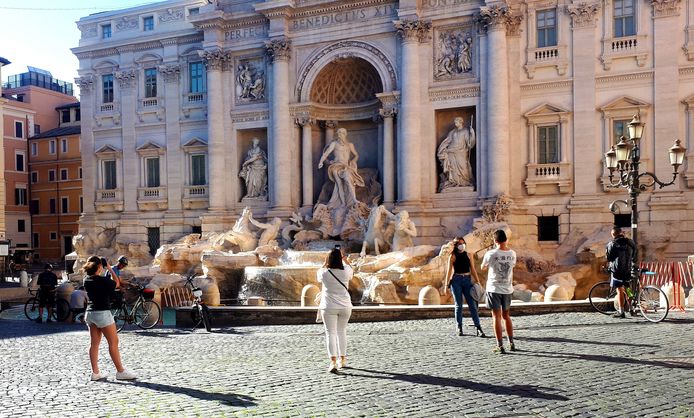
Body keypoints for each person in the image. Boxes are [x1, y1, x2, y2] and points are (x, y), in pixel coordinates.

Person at [82, 256, 136, 381]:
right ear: (100, 267)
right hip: (102, 313)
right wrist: (110, 268)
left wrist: (103, 266)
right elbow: (116, 283)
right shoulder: (103, 280)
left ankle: (95, 373)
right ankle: (120, 371)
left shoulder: (86, 280)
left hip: (90, 313)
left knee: (94, 344)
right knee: (113, 342)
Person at [317, 246, 353, 373]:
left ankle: (333, 362)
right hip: (345, 307)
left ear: (329, 260)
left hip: (328, 307)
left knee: (330, 333)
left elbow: (319, 274)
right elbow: (351, 269)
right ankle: (342, 360)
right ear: (340, 259)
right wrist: (346, 260)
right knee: (341, 332)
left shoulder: (324, 272)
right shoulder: (346, 271)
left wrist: (326, 262)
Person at [481, 230, 517, 354]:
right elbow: (512, 266)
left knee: (496, 316)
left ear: (495, 241)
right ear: (506, 239)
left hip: (494, 288)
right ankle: (511, 343)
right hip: (507, 288)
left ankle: (500, 345)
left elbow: (483, 267)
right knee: (506, 316)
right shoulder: (513, 253)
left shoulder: (490, 253)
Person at [443, 237, 485, 337]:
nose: (462, 245)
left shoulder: (468, 255)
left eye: (463, 243)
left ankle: (478, 327)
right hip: (456, 280)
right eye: (459, 244)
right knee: (459, 305)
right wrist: (446, 285)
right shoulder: (452, 256)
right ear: (456, 245)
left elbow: (473, 269)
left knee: (472, 305)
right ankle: (459, 327)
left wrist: (478, 282)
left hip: (467, 279)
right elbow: (449, 272)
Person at [318, 128, 365, 209]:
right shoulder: (334, 144)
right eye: (339, 132)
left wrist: (353, 162)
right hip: (336, 166)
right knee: (339, 184)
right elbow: (326, 153)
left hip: (346, 166)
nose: (340, 134)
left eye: (342, 132)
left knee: (347, 178)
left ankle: (354, 199)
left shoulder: (350, 145)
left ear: (345, 134)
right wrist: (321, 162)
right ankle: (343, 203)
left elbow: (356, 155)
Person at [606, 226, 637, 318]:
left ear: (613, 234)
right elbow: (634, 254)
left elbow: (609, 258)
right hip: (627, 269)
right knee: (628, 289)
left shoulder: (612, 244)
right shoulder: (630, 242)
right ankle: (631, 309)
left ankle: (621, 311)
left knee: (619, 291)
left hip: (617, 271)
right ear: (621, 233)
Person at [437, 116, 476, 190]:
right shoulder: (452, 132)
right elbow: (447, 141)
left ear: (461, 122)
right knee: (452, 168)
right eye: (455, 122)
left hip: (461, 152)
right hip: (451, 151)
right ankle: (454, 182)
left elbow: (469, 143)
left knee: (463, 166)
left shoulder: (465, 131)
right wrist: (442, 148)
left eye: (456, 122)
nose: (455, 123)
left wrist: (472, 133)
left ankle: (464, 181)